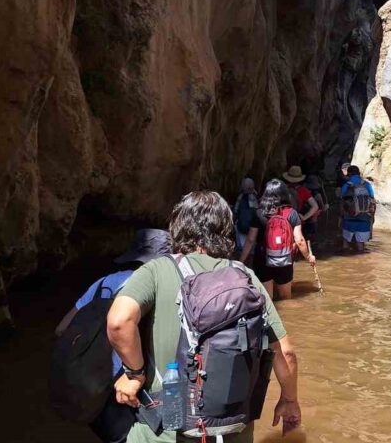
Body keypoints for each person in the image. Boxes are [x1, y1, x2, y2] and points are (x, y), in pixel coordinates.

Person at [106, 191, 304, 443]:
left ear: (177, 227)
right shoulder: (245, 277)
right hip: (233, 430)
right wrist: (289, 400)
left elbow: (119, 321)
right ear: (226, 230)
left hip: (166, 430)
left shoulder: (156, 270)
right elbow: (285, 353)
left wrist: (134, 374)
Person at [54, 229, 172, 443]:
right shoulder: (157, 288)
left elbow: (62, 328)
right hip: (127, 391)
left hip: (92, 389)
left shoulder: (102, 283)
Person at [241, 179, 316, 300]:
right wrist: (309, 258)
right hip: (284, 259)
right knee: (286, 299)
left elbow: (250, 239)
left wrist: (241, 261)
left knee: (267, 301)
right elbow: (300, 240)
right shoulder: (292, 213)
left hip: (262, 260)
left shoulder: (259, 213)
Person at [340, 165, 376, 253]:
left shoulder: (346, 186)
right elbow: (372, 200)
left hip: (349, 217)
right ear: (359, 173)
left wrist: (341, 217)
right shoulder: (367, 185)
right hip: (364, 217)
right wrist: (372, 216)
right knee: (361, 247)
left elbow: (342, 202)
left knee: (346, 244)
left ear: (348, 174)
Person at [282, 165, 320, 239]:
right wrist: (304, 217)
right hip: (296, 219)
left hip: (282, 218)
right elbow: (315, 206)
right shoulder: (303, 190)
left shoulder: (283, 188)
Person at [233, 177, 258, 256]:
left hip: (240, 227)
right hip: (252, 228)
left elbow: (235, 211)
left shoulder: (240, 198)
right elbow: (256, 211)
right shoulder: (254, 198)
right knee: (251, 248)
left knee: (241, 247)